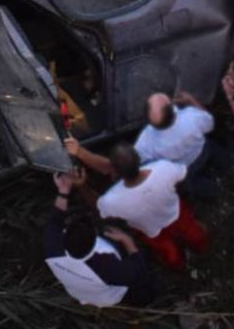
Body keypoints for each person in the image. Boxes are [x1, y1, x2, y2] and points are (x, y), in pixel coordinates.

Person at [65, 91, 222, 200]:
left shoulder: (146, 142)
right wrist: (191, 100)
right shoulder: (191, 116)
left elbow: (117, 166)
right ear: (171, 107)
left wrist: (80, 152)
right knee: (221, 157)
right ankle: (229, 170)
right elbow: (211, 123)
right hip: (204, 151)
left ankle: (217, 191)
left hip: (185, 169)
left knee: (196, 185)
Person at [43, 171, 155, 308]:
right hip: (110, 294)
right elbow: (137, 272)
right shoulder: (104, 265)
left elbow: (55, 220)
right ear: (94, 242)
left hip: (81, 291)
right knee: (146, 285)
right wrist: (127, 241)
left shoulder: (53, 247)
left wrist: (63, 190)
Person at [95, 143, 210, 270]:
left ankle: (182, 267)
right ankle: (203, 251)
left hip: (151, 230)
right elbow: (182, 174)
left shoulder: (112, 199)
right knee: (197, 237)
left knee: (172, 256)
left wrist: (82, 186)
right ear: (139, 159)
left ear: (114, 172)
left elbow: (100, 208)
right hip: (176, 214)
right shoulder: (163, 167)